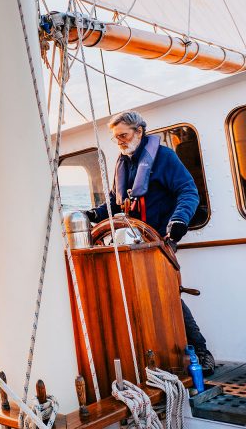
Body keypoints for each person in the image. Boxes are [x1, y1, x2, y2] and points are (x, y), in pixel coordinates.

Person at [84, 110, 216, 375]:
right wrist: (94, 215)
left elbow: (188, 191)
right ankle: (151, 356)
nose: (119, 141)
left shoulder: (164, 157)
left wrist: (178, 221)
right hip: (134, 243)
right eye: (116, 137)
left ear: (139, 131)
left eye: (123, 135)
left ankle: (202, 352)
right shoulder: (123, 162)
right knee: (138, 298)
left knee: (167, 295)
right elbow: (115, 201)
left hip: (160, 240)